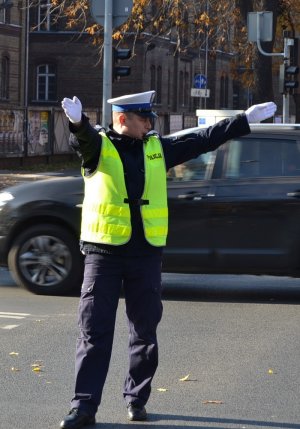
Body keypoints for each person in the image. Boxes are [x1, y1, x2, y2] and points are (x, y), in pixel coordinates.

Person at [60, 90, 276, 429]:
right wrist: (77, 122)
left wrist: (243, 120)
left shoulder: (156, 148)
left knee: (144, 331)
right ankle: (83, 407)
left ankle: (136, 398)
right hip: (104, 254)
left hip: (145, 252)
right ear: (122, 119)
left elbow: (201, 139)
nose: (150, 123)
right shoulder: (98, 146)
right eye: (144, 118)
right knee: (93, 332)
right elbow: (83, 139)